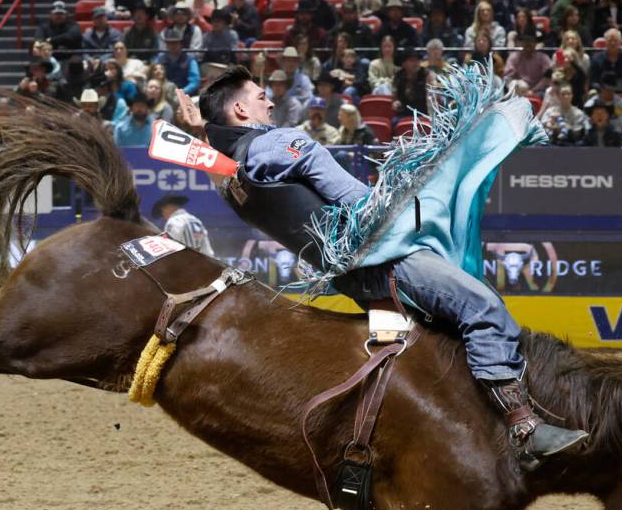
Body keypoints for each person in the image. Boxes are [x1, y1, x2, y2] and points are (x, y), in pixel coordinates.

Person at [186, 65, 588, 467]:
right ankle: (523, 427)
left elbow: (229, 166)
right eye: (260, 96)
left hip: (350, 277)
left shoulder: (227, 177)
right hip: (384, 257)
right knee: (483, 308)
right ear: (240, 110)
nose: (270, 101)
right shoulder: (281, 142)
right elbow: (359, 203)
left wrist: (205, 135)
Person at [158, 27, 201, 95]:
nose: (172, 45)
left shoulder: (190, 60)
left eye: (175, 43)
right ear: (166, 44)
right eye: (170, 43)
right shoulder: (160, 59)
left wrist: (181, 92)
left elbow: (195, 82)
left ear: (181, 44)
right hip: (164, 94)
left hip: (186, 95)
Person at [393, 48, 432, 115]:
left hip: (422, 112)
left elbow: (430, 95)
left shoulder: (426, 74)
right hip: (404, 112)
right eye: (412, 60)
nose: (416, 63)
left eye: (417, 60)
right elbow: (395, 96)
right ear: (404, 64)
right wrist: (396, 102)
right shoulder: (398, 76)